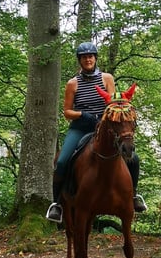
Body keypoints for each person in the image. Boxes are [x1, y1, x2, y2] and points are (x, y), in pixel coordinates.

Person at [46, 42, 148, 223]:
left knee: (134, 158)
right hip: (80, 128)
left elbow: (114, 104)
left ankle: (134, 196)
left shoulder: (107, 78)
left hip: (106, 127)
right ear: (80, 60)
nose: (88, 59)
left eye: (91, 56)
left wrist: (108, 117)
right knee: (61, 161)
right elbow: (67, 112)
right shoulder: (72, 83)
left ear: (95, 58)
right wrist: (83, 115)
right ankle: (57, 205)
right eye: (84, 57)